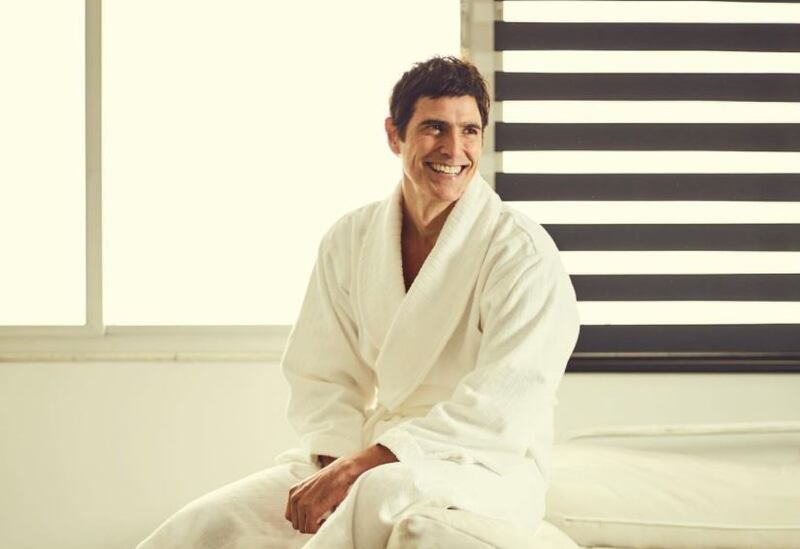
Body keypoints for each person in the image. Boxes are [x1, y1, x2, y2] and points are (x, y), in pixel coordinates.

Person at [137, 56, 580, 549]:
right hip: (370, 450)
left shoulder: (521, 253)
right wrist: (336, 463)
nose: (454, 149)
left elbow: (502, 409)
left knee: (378, 494)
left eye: (469, 131)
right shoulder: (351, 239)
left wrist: (361, 468)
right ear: (394, 135)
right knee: (216, 519)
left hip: (488, 465)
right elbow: (323, 375)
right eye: (434, 127)